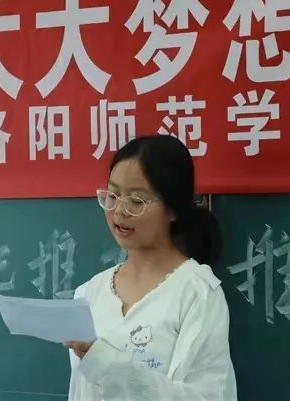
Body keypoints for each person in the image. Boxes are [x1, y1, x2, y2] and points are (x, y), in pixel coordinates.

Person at [64, 134, 237, 401]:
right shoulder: (89, 293)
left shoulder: (197, 293)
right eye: (113, 195)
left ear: (173, 209)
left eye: (136, 201)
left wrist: (110, 366)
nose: (119, 211)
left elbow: (208, 397)